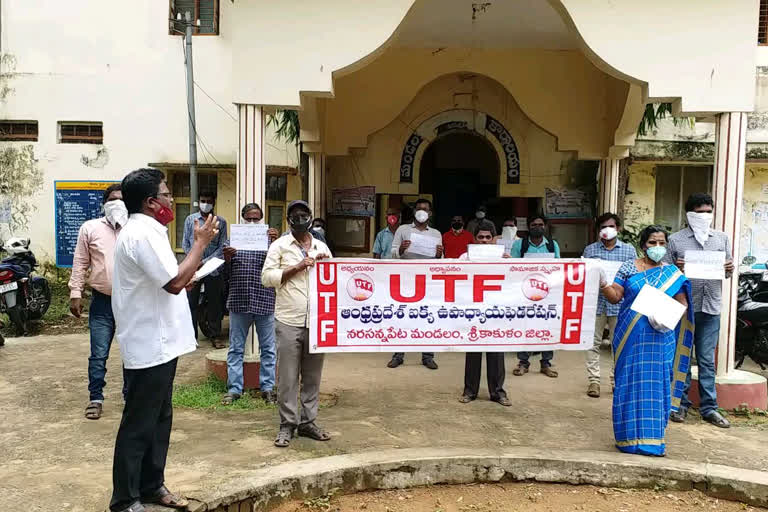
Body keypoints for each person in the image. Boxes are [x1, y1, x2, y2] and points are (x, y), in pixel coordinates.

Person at [110, 168, 219, 512]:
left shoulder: (152, 231)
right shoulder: (140, 234)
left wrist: (188, 272)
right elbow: (173, 283)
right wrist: (200, 243)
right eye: (167, 194)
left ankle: (152, 485)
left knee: (160, 418)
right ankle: (125, 499)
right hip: (148, 343)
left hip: (162, 343)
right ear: (151, 202)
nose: (171, 199)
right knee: (139, 423)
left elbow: (171, 279)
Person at [600, 225, 693, 456]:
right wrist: (603, 284)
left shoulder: (672, 273)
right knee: (629, 383)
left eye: (662, 243)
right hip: (631, 338)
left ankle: (653, 440)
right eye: (653, 243)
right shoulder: (629, 267)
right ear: (643, 245)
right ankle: (627, 439)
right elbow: (615, 298)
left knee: (656, 385)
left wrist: (667, 316)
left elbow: (683, 303)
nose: (657, 247)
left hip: (660, 338)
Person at [262, 200, 333, 448]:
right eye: (295, 216)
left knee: (313, 377)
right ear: (289, 220)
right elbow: (267, 278)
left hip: (318, 321)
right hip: (289, 320)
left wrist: (325, 264)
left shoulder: (321, 246)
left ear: (311, 218)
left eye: (304, 215)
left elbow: (333, 280)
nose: (300, 219)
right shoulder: (279, 246)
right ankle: (287, 424)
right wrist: (297, 267)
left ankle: (308, 422)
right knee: (288, 378)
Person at [667, 193, 734, 428]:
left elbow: (727, 272)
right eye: (700, 212)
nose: (705, 215)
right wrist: (676, 268)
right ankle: (680, 405)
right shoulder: (676, 241)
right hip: (684, 308)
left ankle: (709, 408)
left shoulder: (722, 239)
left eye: (708, 211)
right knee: (682, 357)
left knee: (706, 360)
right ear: (689, 214)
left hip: (711, 307)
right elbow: (665, 274)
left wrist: (728, 267)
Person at [69, 183, 128, 420]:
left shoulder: (135, 229)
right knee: (98, 353)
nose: (117, 204)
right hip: (102, 302)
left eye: (122, 200)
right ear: (104, 203)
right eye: (113, 199)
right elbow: (80, 262)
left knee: (131, 352)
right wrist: (76, 292)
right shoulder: (90, 228)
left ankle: (129, 396)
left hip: (130, 302)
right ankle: (95, 398)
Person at [221, 203, 280, 406]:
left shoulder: (271, 243)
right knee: (236, 348)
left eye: (257, 219)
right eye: (249, 218)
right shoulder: (232, 243)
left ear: (262, 220)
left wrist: (275, 242)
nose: (253, 222)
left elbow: (280, 267)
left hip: (265, 300)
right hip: (239, 300)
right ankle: (234, 389)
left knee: (268, 349)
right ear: (243, 219)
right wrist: (227, 258)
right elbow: (224, 275)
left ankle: (268, 389)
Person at [582, 213, 637, 398]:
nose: (608, 229)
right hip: (595, 302)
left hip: (620, 303)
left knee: (618, 343)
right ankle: (594, 381)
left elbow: (634, 276)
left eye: (611, 226)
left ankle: (616, 381)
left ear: (618, 228)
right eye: (603, 226)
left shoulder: (629, 251)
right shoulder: (590, 250)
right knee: (592, 343)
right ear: (598, 230)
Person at [458, 220, 511, 406]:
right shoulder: (465, 257)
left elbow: (513, 281)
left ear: (494, 239)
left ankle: (498, 392)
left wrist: (508, 264)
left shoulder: (504, 257)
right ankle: (469, 391)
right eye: (480, 237)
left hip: (496, 310)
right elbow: (457, 278)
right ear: (475, 239)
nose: (484, 241)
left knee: (496, 351)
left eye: (488, 237)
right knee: (473, 351)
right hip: (473, 310)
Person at [388, 198, 442, 370]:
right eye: (419, 208)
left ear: (430, 213)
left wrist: (439, 254)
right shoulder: (403, 230)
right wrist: (402, 250)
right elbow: (393, 252)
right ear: (414, 211)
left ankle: (428, 356)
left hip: (427, 281)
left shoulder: (436, 234)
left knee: (428, 317)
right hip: (405, 279)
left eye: (425, 209)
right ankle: (398, 355)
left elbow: (438, 260)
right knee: (402, 317)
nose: (421, 211)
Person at [510, 213, 561, 378]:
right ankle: (523, 362)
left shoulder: (553, 245)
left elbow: (559, 268)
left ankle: (546, 363)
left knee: (547, 327)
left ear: (544, 227)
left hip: (547, 293)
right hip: (524, 293)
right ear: (528, 227)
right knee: (525, 326)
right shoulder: (519, 245)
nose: (537, 227)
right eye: (534, 225)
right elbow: (512, 268)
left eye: (540, 224)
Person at [182, 189, 228, 349]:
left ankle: (215, 336)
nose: (205, 204)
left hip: (213, 268)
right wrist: (195, 260)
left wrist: (205, 262)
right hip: (193, 269)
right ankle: (191, 338)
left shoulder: (220, 222)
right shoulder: (190, 220)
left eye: (209, 201)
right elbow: (185, 243)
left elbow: (222, 246)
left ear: (214, 202)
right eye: (203, 200)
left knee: (215, 303)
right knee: (191, 302)